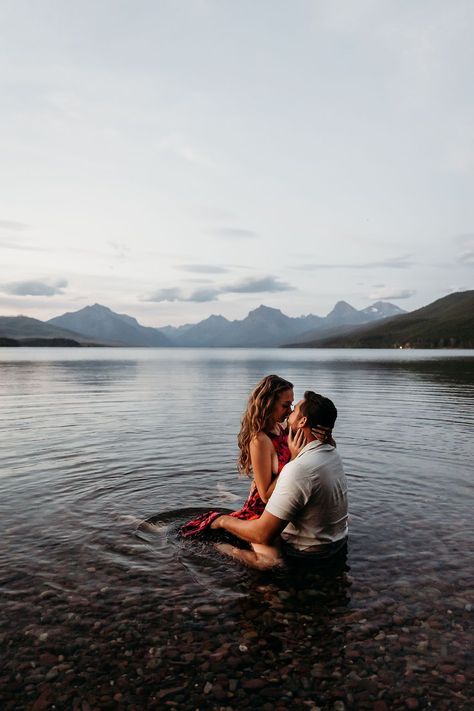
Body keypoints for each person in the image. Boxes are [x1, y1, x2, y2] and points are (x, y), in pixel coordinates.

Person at [210, 391, 348, 568]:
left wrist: (223, 520)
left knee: (269, 561)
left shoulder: (299, 469)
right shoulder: (332, 453)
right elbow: (278, 424)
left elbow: (262, 534)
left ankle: (219, 548)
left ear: (303, 421)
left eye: (294, 409)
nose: (289, 413)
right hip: (338, 543)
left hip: (307, 553)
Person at [179, 375, 297, 545]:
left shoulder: (282, 427)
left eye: (292, 405)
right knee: (273, 563)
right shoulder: (260, 440)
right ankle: (218, 521)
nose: (291, 411)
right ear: (268, 405)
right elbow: (264, 496)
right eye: (285, 406)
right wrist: (293, 461)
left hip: (283, 505)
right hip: (263, 511)